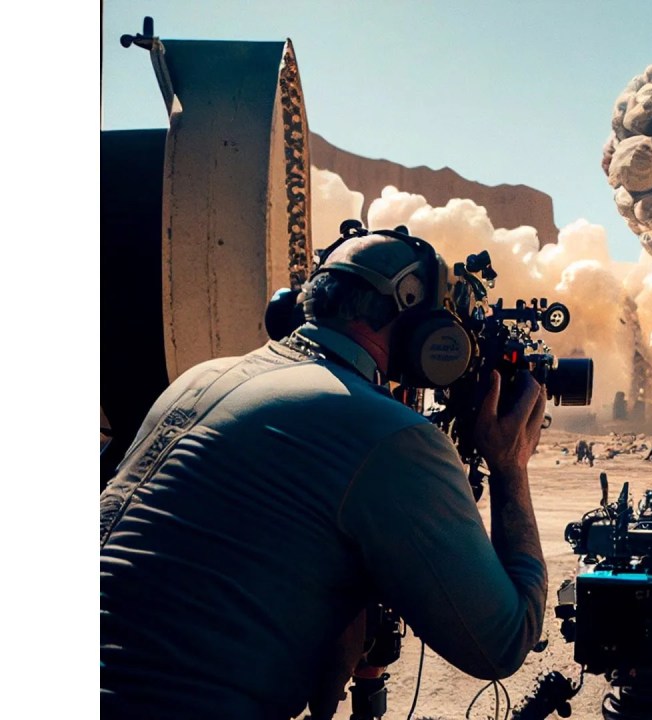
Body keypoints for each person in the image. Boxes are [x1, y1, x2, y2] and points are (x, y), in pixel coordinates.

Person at [100, 231, 549, 720]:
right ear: (419, 324)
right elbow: (501, 643)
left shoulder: (199, 378)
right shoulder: (388, 435)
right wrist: (510, 467)